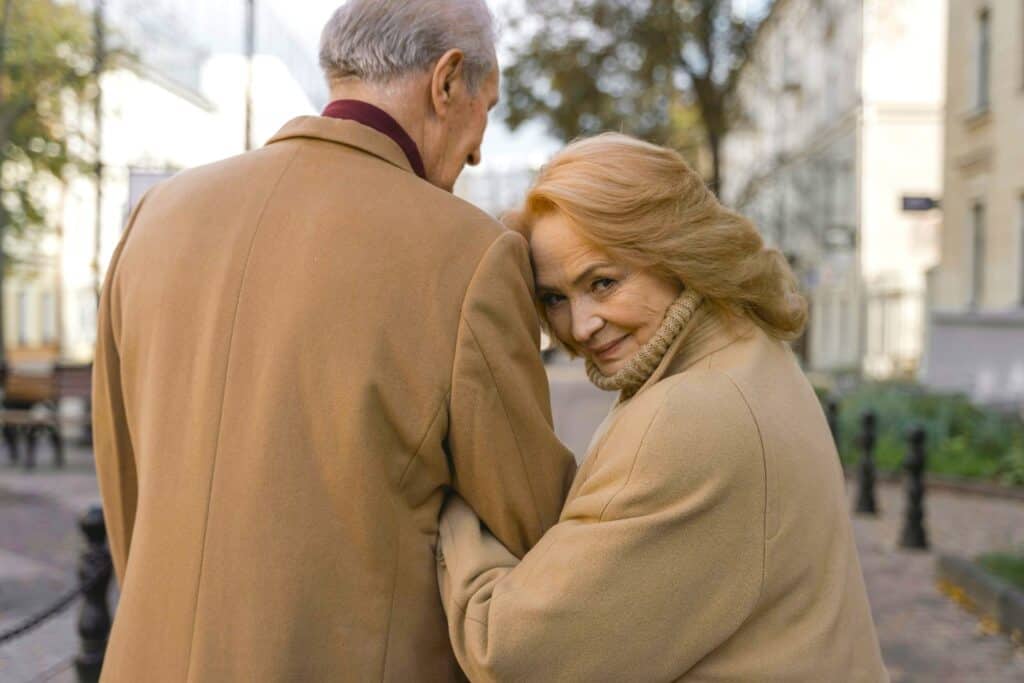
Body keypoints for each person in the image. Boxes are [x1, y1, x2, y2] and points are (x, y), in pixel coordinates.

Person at [92, 1, 576, 679]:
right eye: (486, 108)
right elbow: (531, 528)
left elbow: (124, 486)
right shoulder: (472, 254)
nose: (477, 149)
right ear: (447, 80)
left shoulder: (156, 217)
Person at [437, 133, 888, 682]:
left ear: (677, 254)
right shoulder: (751, 353)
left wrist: (454, 511)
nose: (580, 326)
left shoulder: (687, 415)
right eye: (555, 299)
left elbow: (512, 656)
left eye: (603, 283)